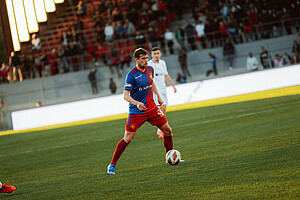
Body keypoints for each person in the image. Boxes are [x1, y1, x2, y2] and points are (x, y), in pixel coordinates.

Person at [107, 48, 176, 175]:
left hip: (152, 108)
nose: (146, 60)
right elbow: (125, 96)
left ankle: (169, 157)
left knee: (167, 130)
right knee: (127, 138)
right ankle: (112, 164)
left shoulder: (150, 69)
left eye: (146, 58)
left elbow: (151, 82)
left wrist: (159, 97)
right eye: (143, 58)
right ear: (137, 60)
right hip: (137, 112)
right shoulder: (131, 75)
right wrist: (137, 103)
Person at [148, 47, 177, 138]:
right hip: (156, 90)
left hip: (163, 88)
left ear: (160, 54)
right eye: (154, 54)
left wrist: (173, 86)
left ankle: (161, 127)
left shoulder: (162, 63)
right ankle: (161, 129)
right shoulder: (149, 64)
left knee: (163, 108)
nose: (156, 55)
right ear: (151, 55)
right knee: (162, 106)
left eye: (158, 53)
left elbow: (166, 75)